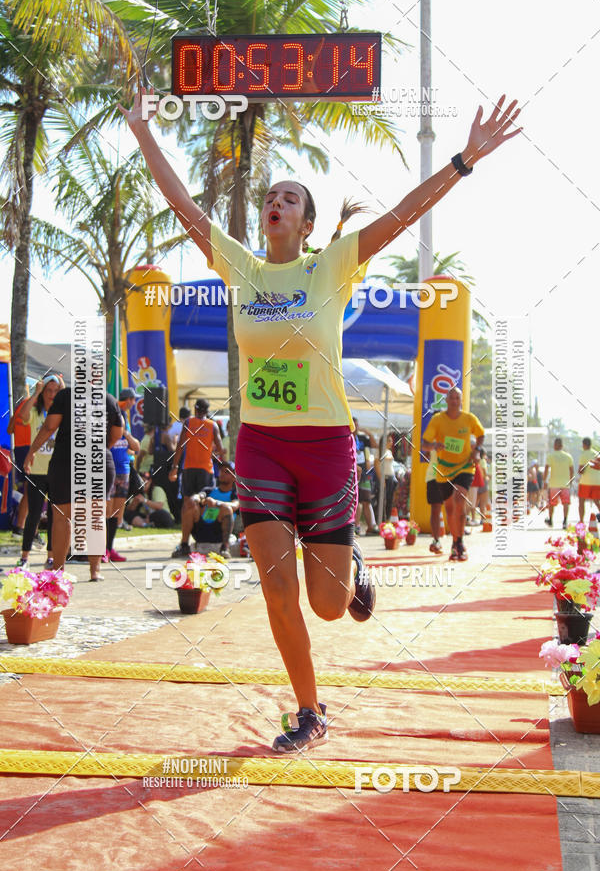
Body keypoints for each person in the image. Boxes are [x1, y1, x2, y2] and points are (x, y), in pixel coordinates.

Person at [121, 86, 521, 751]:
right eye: (270, 197)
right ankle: (310, 711)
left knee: (328, 605)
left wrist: (464, 160)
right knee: (277, 589)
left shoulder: (331, 266)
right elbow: (183, 205)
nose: (276, 203)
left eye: (290, 199)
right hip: (262, 450)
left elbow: (398, 216)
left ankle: (350, 564)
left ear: (307, 224)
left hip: (327, 445)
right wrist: (142, 133)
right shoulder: (241, 268)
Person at [23, 388, 124, 581]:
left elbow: (49, 426)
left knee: (62, 517)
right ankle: (95, 571)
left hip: (66, 459)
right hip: (98, 459)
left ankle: (58, 572)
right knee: (95, 517)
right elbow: (117, 433)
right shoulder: (108, 400)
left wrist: (32, 451)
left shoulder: (66, 395)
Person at [422, 387, 485, 561]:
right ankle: (455, 542)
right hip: (443, 469)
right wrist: (434, 446)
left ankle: (460, 542)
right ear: (447, 400)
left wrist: (477, 450)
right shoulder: (437, 420)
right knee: (449, 509)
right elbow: (425, 443)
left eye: (458, 398)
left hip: (465, 467)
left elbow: (481, 434)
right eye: (452, 398)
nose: (455, 401)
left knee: (460, 499)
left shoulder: (469, 419)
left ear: (461, 400)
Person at [15, 375, 63, 568]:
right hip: (36, 470)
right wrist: (35, 393)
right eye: (48, 391)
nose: (51, 395)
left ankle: (50, 557)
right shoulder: (36, 411)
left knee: (54, 516)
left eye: (55, 391)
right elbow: (22, 416)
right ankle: (25, 557)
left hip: (56, 470)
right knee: (33, 514)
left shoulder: (62, 412)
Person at [169, 398, 223, 558]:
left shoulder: (188, 423)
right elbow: (220, 448)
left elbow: (180, 446)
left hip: (189, 469)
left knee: (188, 504)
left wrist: (174, 467)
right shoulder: (212, 426)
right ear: (207, 410)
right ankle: (198, 538)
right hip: (206, 470)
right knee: (203, 503)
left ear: (195, 409)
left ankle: (185, 542)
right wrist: (210, 453)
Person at [105, 388, 140, 563]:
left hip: (124, 468)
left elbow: (136, 446)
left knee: (117, 513)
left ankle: (110, 548)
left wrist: (126, 434)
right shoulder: (110, 413)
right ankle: (102, 549)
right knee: (106, 510)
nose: (133, 404)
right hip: (110, 467)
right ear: (129, 400)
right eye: (133, 401)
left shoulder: (124, 417)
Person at [190, 461, 239, 558]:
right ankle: (183, 545)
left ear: (234, 477)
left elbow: (234, 506)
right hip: (202, 528)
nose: (222, 474)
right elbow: (200, 496)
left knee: (227, 508)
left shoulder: (235, 493)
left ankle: (225, 547)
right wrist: (198, 499)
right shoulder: (209, 490)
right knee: (189, 505)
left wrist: (216, 503)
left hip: (220, 531)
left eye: (227, 472)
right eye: (221, 471)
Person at [7, 394, 32, 536]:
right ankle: (24, 528)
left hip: (21, 448)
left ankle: (21, 527)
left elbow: (9, 430)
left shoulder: (22, 403)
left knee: (30, 490)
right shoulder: (33, 404)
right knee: (32, 490)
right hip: (29, 448)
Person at [353, 419, 379, 535]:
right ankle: (356, 527)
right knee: (356, 501)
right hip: (352, 473)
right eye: (354, 425)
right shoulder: (346, 438)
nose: (356, 427)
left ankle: (370, 527)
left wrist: (369, 433)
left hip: (364, 474)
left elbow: (375, 445)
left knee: (367, 500)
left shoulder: (362, 438)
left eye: (357, 425)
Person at [543, 437, 574, 529]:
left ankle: (551, 520)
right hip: (565, 484)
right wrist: (570, 481)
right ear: (562, 445)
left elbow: (546, 468)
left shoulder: (551, 456)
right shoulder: (568, 456)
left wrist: (544, 480)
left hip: (554, 484)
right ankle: (565, 521)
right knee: (565, 503)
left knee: (552, 503)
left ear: (555, 445)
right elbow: (571, 470)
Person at [425, 449, 444, 555]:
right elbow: (425, 451)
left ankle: (457, 542)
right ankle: (436, 541)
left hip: (452, 476)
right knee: (436, 509)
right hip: (434, 476)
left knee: (454, 509)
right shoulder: (431, 435)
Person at [577, 437, 600, 522]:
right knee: (597, 501)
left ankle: (581, 521)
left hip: (586, 482)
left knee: (581, 501)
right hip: (597, 481)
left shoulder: (584, 454)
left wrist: (580, 471)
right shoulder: (596, 454)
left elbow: (581, 470)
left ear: (584, 445)